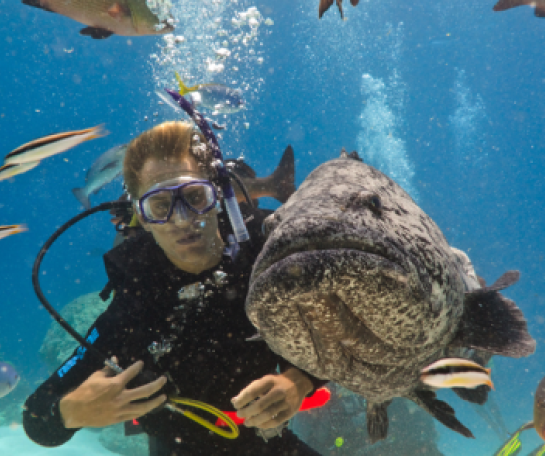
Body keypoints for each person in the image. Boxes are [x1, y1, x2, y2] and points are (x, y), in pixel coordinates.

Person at [23, 121, 325, 455]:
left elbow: (334, 342)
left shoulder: (267, 261)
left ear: (218, 197)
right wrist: (71, 411)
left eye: (195, 197)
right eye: (160, 206)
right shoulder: (136, 301)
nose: (182, 219)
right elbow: (36, 418)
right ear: (141, 216)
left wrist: (297, 383)